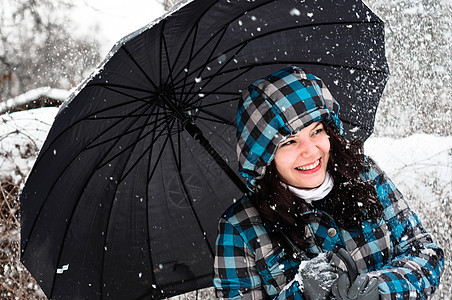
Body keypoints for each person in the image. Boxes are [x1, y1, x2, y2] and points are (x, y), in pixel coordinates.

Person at [212, 66, 444, 299]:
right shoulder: (240, 229)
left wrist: (380, 288)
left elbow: (424, 252)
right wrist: (300, 293)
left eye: (316, 131)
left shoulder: (365, 174)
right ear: (265, 158)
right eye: (289, 142)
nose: (310, 151)